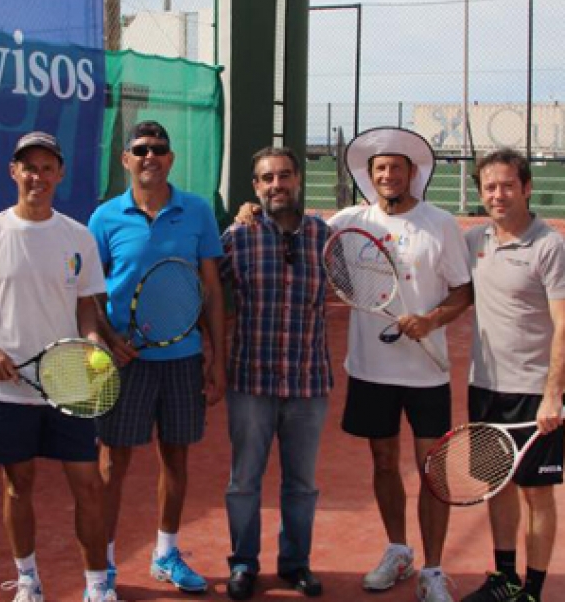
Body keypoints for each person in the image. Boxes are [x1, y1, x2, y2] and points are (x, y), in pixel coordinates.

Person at [0, 131, 116, 602]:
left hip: (69, 383)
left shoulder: (77, 236)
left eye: (46, 167)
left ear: (59, 174)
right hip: (6, 391)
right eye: (28, 167)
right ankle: (28, 581)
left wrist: (93, 340)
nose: (37, 176)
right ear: (13, 172)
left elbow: (86, 306)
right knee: (18, 485)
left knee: (89, 484)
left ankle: (98, 586)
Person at [329, 127, 472, 602]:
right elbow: (301, 234)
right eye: (380, 169)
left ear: (413, 173)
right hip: (371, 370)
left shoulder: (441, 224)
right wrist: (248, 212)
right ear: (369, 176)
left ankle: (432, 570)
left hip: (426, 375)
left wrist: (431, 320)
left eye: (396, 167)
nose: (388, 175)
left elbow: (462, 292)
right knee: (384, 461)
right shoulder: (352, 220)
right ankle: (397, 550)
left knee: (433, 470)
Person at [88, 120, 227, 594]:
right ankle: (101, 568)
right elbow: (87, 294)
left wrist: (217, 358)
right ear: (126, 159)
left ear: (170, 160)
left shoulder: (198, 212)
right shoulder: (104, 218)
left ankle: (166, 553)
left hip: (183, 358)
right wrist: (108, 337)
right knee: (112, 463)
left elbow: (210, 288)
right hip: (122, 363)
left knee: (176, 458)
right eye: (140, 149)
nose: (151, 156)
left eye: (160, 150)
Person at [219, 147, 333, 600]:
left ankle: (295, 564)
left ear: (298, 180)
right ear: (256, 187)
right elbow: (206, 290)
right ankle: (244, 563)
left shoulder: (326, 237)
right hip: (251, 383)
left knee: (301, 484)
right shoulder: (238, 237)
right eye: (267, 179)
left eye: (284, 176)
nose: (276, 186)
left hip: (308, 382)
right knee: (244, 480)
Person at [459, 149, 564, 602]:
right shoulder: (474, 241)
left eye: (506, 185)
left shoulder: (550, 246)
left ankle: (534, 591)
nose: (497, 195)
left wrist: (552, 396)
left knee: (536, 493)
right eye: (489, 187)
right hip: (485, 387)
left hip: (533, 392)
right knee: (496, 485)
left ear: (526, 188)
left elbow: (564, 324)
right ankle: (505, 579)